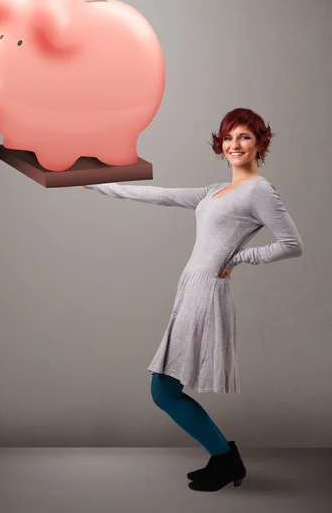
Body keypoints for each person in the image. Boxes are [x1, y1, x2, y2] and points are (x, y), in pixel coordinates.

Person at [82, 108, 303, 492]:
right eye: (230, 137)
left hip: (206, 294)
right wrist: (97, 183)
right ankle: (223, 458)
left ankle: (226, 459)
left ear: (259, 143)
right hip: (190, 289)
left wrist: (240, 258)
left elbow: (292, 245)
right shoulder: (215, 190)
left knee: (163, 390)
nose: (235, 145)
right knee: (168, 389)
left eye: (245, 137)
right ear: (221, 143)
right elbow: (160, 195)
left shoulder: (260, 191)